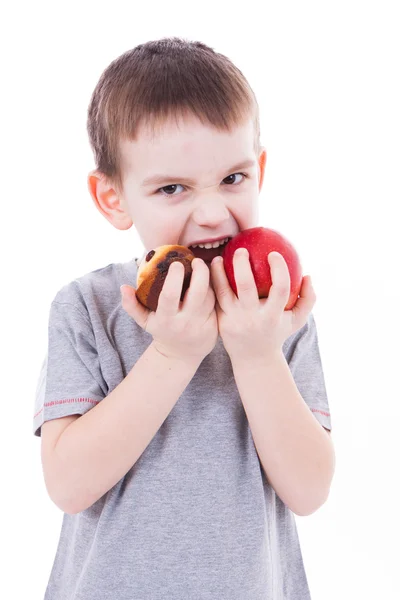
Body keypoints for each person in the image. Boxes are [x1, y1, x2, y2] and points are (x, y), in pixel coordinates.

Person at [33, 37, 335, 600]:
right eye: (172, 188)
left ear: (260, 170)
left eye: (233, 179)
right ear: (113, 198)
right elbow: (69, 485)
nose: (214, 213)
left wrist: (257, 353)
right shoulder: (86, 308)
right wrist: (172, 354)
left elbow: (310, 490)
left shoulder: (277, 312)